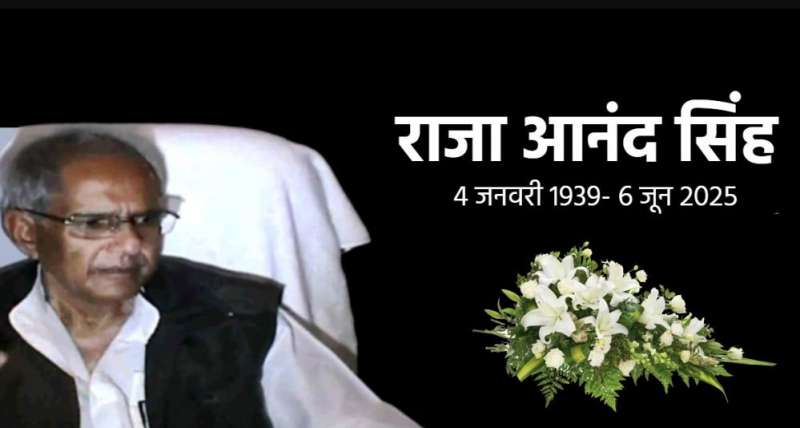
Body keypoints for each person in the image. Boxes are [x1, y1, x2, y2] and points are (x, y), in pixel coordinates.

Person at [0, 130, 418, 428]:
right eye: (95, 223)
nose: (131, 243)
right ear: (26, 232)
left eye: (147, 219)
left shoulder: (238, 320)